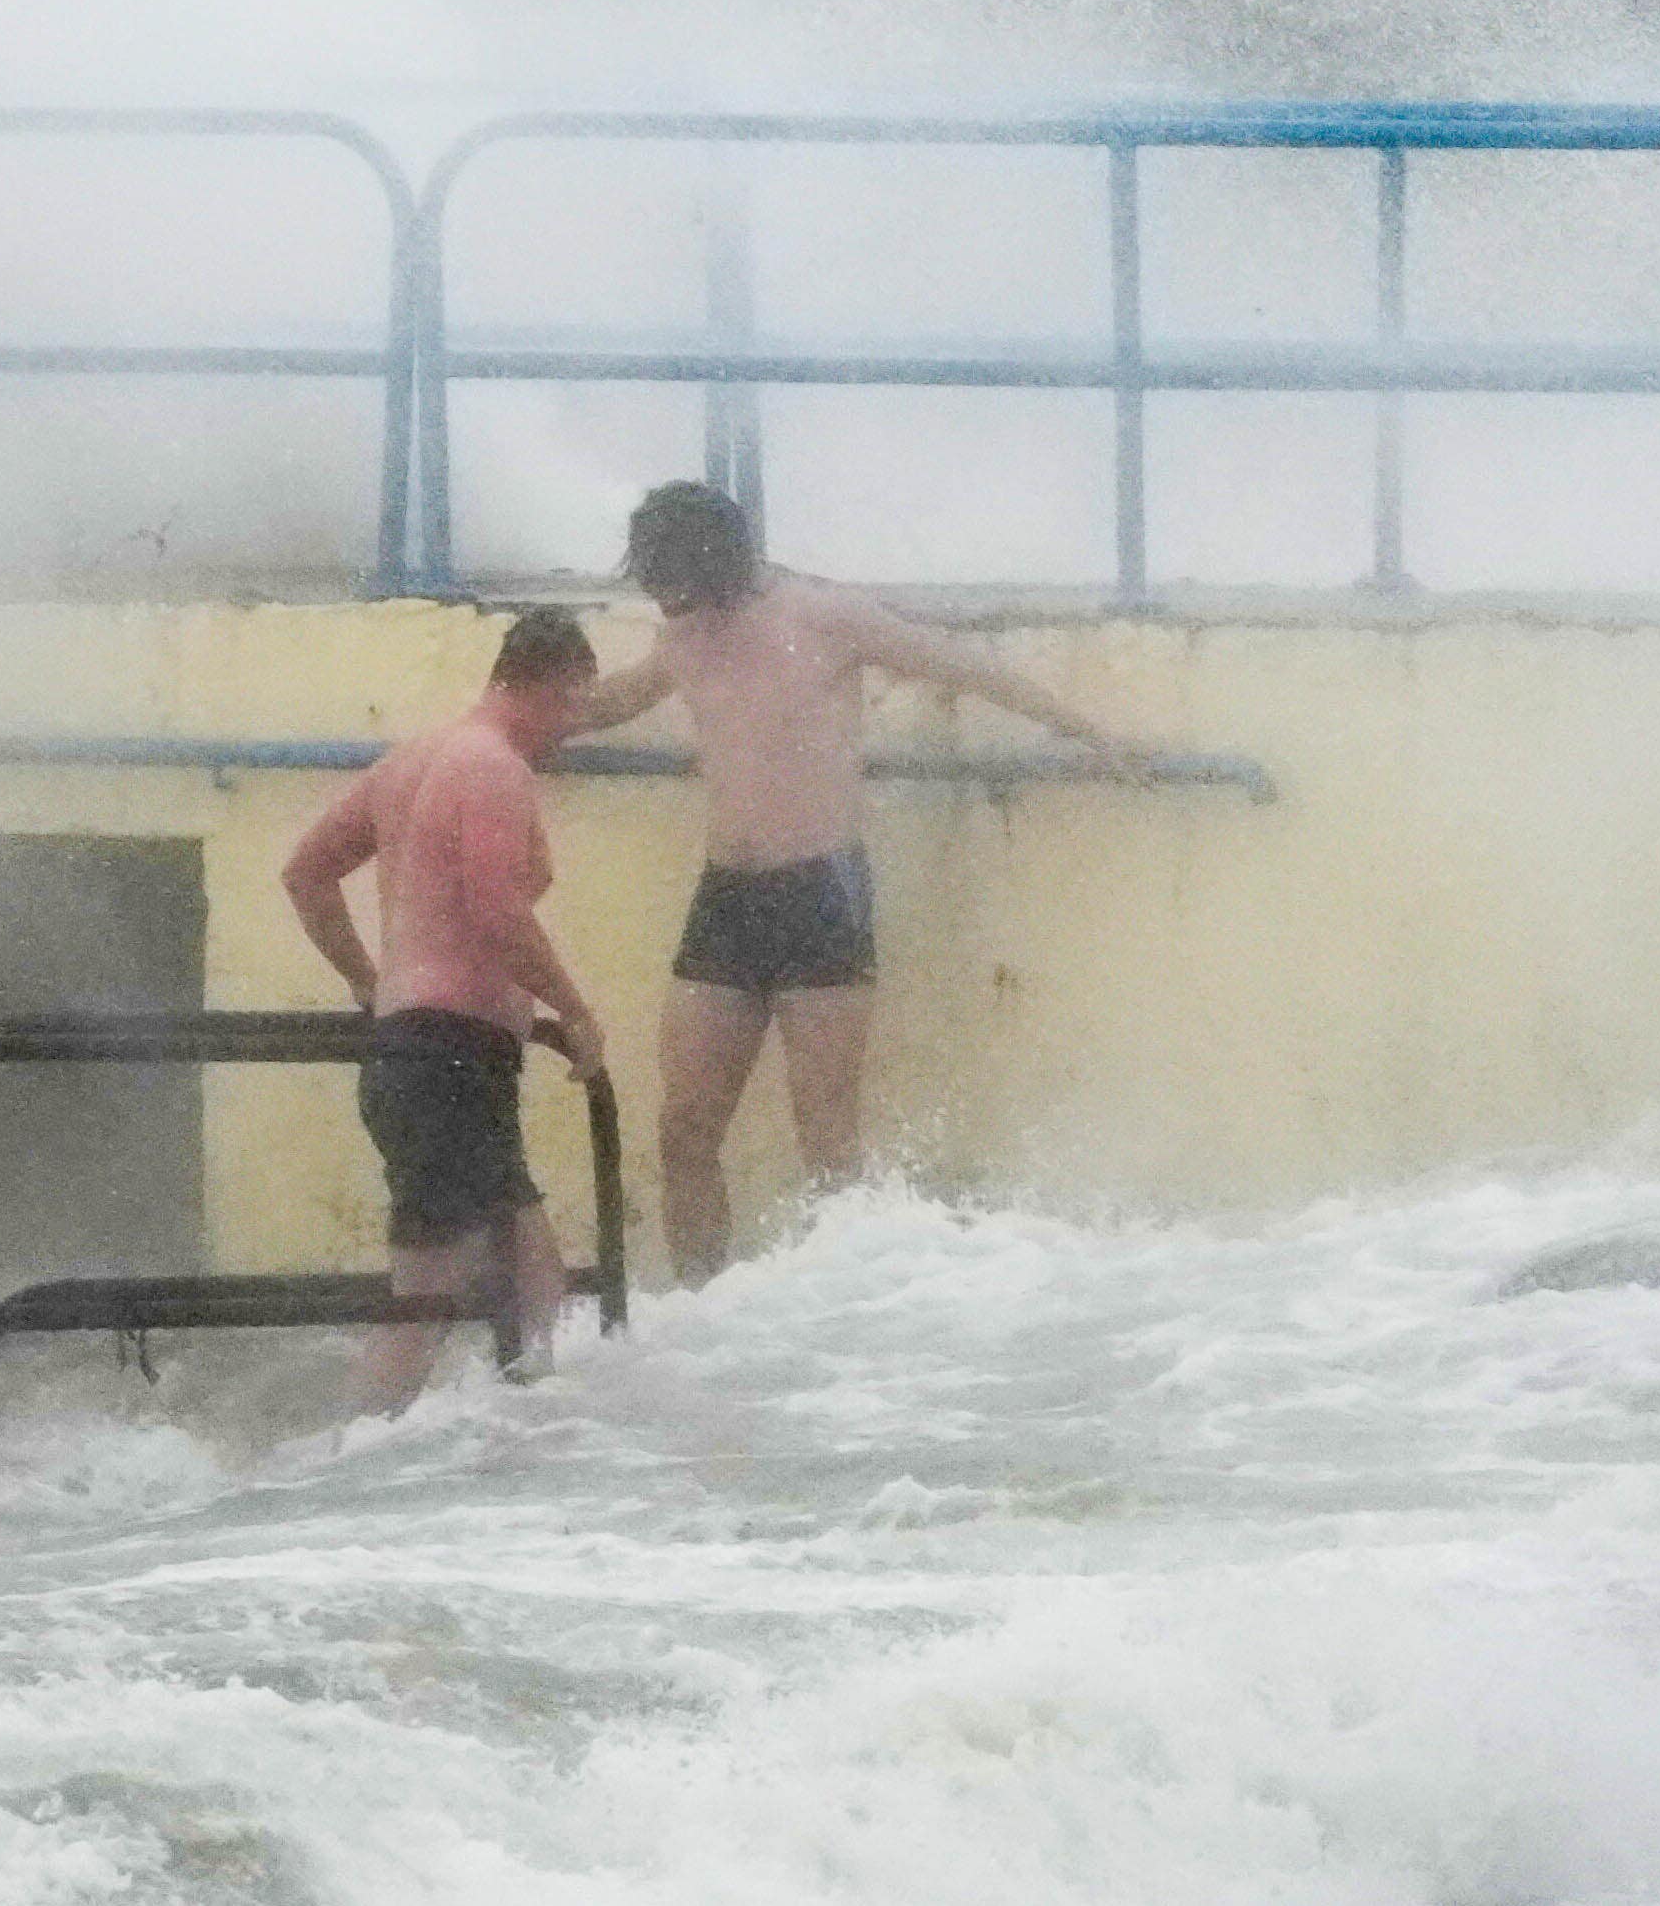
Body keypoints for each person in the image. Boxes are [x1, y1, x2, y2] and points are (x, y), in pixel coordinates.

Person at [573, 480, 1163, 1284]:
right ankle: (698, 1313)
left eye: (678, 581)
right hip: (726, 898)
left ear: (718, 562)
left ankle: (838, 1325)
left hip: (822, 892)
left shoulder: (824, 615)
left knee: (828, 1140)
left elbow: (967, 667)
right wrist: (510, 717)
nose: (672, 601)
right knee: (684, 1128)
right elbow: (614, 701)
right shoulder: (682, 635)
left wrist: (1095, 735)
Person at [282, 606, 608, 1411]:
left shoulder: (412, 761)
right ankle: (326, 1478)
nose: (570, 731)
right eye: (574, 707)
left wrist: (372, 981)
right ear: (551, 685)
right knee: (432, 1304)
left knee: (531, 1285)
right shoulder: (493, 766)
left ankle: (517, 1466)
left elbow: (306, 873)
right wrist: (577, 1012)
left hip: (424, 1054)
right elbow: (497, 910)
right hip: (450, 1060)